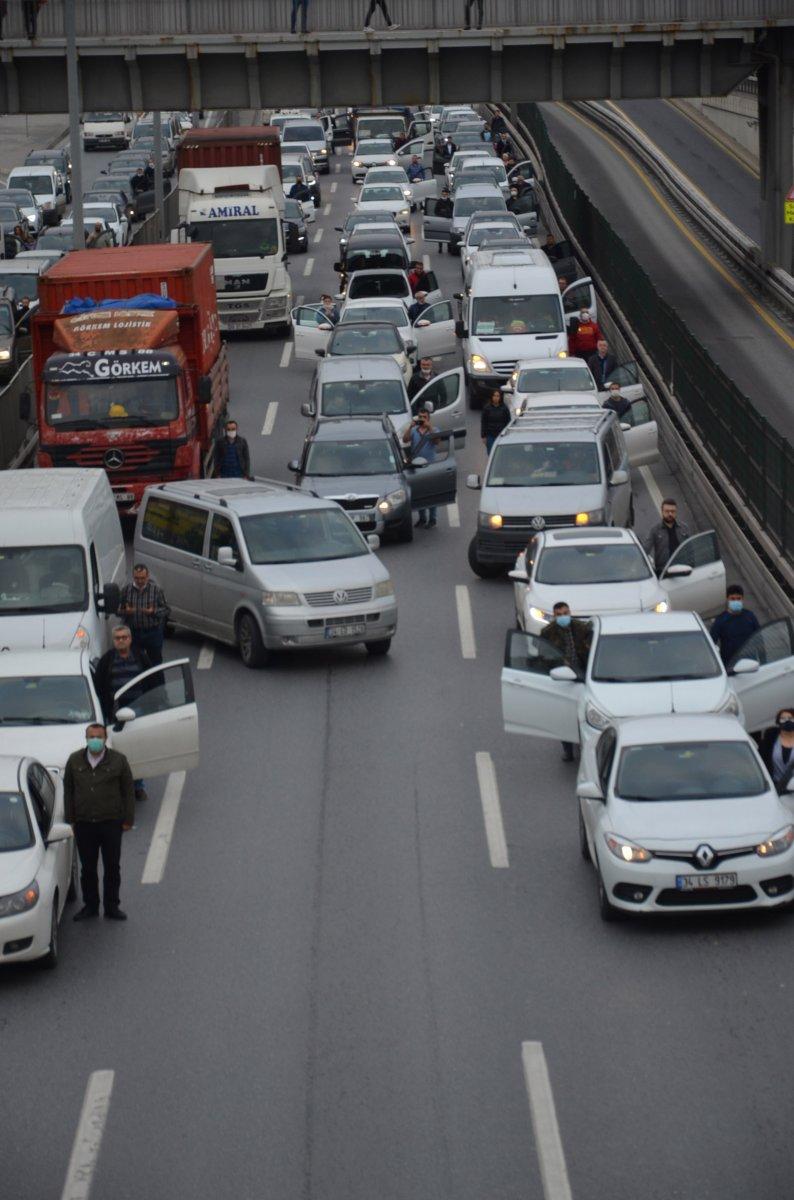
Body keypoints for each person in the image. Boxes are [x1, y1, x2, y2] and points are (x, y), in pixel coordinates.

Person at [64, 723, 134, 922]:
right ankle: (91, 906)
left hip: (111, 823)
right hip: (85, 824)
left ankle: (112, 906)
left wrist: (128, 819)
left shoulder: (119, 760)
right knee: (88, 868)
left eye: (98, 736)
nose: (95, 740)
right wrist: (71, 819)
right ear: (86, 738)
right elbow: (68, 789)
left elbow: (128, 791)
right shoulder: (74, 760)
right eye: (91, 736)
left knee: (112, 867)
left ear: (104, 738)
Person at [92, 626, 151, 801]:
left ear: (130, 639)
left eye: (124, 637)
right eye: (118, 638)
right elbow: (99, 688)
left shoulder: (141, 656)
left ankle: (138, 786)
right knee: (118, 751)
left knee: (137, 749)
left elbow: (152, 680)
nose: (121, 640)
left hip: (138, 711)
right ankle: (120, 787)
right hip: (116, 714)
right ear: (114, 641)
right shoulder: (106, 661)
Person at [540, 602, 591, 761]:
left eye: (566, 613)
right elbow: (543, 657)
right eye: (559, 614)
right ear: (554, 616)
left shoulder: (581, 628)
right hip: (563, 678)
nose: (564, 617)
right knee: (564, 716)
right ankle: (568, 750)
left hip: (583, 675)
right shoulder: (547, 633)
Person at [119, 564, 169, 666]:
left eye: (142, 578)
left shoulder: (156, 590)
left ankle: (157, 681)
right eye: (137, 578)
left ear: (147, 576)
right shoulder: (126, 590)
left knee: (155, 663)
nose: (140, 581)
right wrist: (126, 612)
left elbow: (166, 610)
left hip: (153, 632)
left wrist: (153, 612)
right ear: (133, 577)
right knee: (134, 662)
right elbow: (118, 611)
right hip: (134, 633)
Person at [402, 406, 441, 527]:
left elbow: (437, 442)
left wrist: (429, 427)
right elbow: (405, 439)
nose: (422, 419)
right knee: (419, 492)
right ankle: (422, 518)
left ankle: (432, 518)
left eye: (424, 417)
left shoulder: (434, 429)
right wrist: (410, 426)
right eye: (420, 417)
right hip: (416, 466)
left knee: (431, 492)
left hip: (430, 466)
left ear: (429, 418)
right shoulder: (414, 430)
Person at [710, 585, 760, 665]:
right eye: (732, 599)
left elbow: (759, 638)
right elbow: (712, 643)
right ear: (727, 600)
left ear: (742, 599)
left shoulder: (750, 616)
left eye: (738, 599)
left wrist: (763, 661)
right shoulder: (720, 620)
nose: (735, 601)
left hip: (750, 662)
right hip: (730, 665)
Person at [643, 498, 691, 574]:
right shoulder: (655, 530)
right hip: (664, 573)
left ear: (676, 512)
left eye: (673, 511)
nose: (670, 514)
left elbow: (690, 549)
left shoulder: (684, 528)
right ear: (662, 512)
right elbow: (645, 550)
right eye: (667, 511)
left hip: (683, 570)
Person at [759, 709, 794, 795]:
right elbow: (761, 759)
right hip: (773, 787)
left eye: (790, 718)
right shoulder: (770, 738)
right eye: (783, 718)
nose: (787, 721)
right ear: (778, 722)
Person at [481, 388, 511, 453]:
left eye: (498, 396)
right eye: (494, 396)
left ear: (500, 397)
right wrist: (483, 436)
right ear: (492, 397)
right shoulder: (487, 408)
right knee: (491, 452)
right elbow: (484, 422)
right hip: (490, 436)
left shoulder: (504, 408)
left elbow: (508, 422)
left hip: (501, 435)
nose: (496, 398)